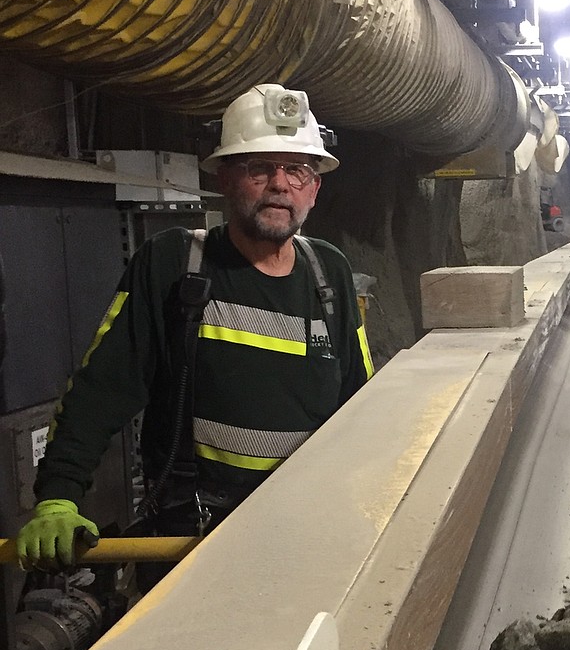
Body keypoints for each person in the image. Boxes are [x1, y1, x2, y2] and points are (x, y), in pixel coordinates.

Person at [17, 83, 374, 570]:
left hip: (304, 530)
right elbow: (101, 391)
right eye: (258, 167)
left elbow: (361, 405)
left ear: (314, 188)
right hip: (197, 538)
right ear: (225, 178)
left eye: (297, 170)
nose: (279, 183)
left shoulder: (327, 271)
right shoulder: (175, 263)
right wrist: (58, 496)